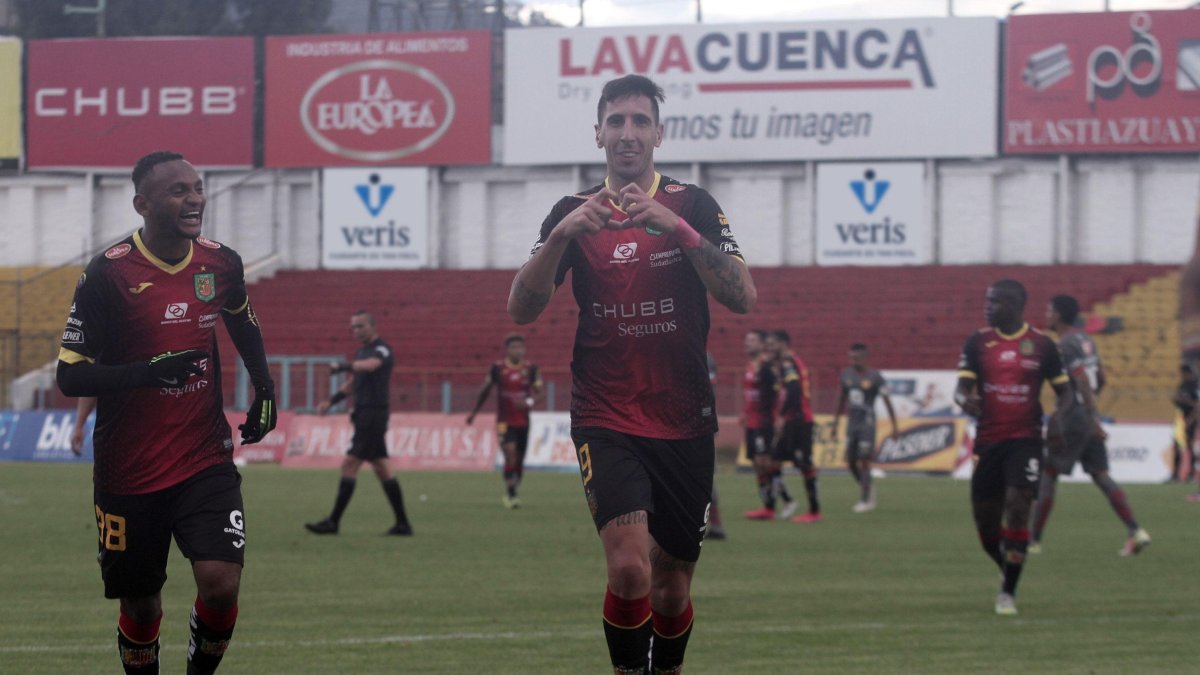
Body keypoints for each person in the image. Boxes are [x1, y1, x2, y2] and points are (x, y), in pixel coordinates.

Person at [506, 74, 756, 673]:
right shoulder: (572, 213)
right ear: (598, 133)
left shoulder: (693, 204)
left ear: (659, 134)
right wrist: (560, 238)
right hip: (606, 415)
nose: (627, 133)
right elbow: (520, 308)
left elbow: (743, 296)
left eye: (640, 121)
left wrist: (681, 231)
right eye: (615, 121)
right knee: (627, 566)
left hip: (684, 418)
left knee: (671, 587)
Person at [55, 150, 277, 675]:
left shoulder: (221, 262)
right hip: (128, 469)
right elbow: (70, 376)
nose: (194, 198)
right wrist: (147, 372)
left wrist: (264, 387)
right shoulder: (107, 275)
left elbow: (242, 319)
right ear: (142, 204)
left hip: (204, 456)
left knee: (221, 582)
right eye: (178, 190)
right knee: (141, 604)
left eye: (197, 187)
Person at [954, 279, 1071, 616]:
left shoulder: (1042, 345)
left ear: (1017, 305)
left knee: (1019, 505)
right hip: (989, 441)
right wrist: (965, 400)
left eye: (996, 302)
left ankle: (1008, 591)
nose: (988, 307)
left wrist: (1058, 420)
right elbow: (960, 389)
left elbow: (1065, 393)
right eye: (987, 301)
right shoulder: (978, 342)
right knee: (987, 526)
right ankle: (1008, 567)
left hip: (1026, 440)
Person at [1030, 295, 1151, 556]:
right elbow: (1101, 378)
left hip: (1072, 415)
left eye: (1049, 309)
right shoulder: (1087, 340)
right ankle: (1136, 530)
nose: (1046, 314)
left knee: (1048, 473)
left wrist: (1090, 414)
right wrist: (1093, 413)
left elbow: (1082, 380)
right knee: (1100, 474)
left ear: (1059, 315)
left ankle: (1033, 541)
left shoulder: (1065, 344)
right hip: (1086, 414)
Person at [305, 310, 412, 536]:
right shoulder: (362, 352)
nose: (356, 331)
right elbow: (354, 383)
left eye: (360, 326)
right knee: (382, 467)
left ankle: (333, 521)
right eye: (353, 327)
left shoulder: (381, 349)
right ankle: (403, 524)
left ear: (373, 326)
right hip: (366, 415)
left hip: (373, 415)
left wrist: (343, 366)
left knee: (350, 464)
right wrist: (331, 401)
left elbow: (372, 365)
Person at [466, 333, 543, 508]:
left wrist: (528, 402)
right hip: (504, 421)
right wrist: (474, 413)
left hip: (523, 421)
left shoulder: (531, 369)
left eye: (520, 347)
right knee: (510, 453)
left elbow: (541, 393)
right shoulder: (498, 368)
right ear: (507, 350)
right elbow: (485, 391)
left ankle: (514, 488)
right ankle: (511, 494)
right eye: (514, 347)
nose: (518, 351)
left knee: (520, 459)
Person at [832, 343, 898, 513]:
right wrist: (835, 423)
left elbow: (887, 402)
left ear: (865, 357)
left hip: (867, 424)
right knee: (851, 462)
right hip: (851, 424)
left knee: (864, 459)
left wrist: (894, 427)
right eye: (851, 357)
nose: (853, 360)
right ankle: (866, 487)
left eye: (856, 357)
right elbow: (841, 400)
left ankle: (866, 499)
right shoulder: (846, 375)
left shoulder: (876, 377)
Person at [767, 330, 822, 523]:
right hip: (793, 419)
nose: (770, 348)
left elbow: (794, 390)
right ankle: (779, 505)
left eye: (773, 344)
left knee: (804, 463)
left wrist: (783, 417)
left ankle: (814, 511)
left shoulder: (788, 363)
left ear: (783, 344)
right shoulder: (787, 363)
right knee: (774, 461)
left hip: (799, 420)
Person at [742, 329, 797, 521]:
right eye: (747, 340)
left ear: (762, 344)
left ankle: (784, 501)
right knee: (758, 464)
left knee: (766, 462)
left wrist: (777, 419)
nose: (747, 343)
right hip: (752, 420)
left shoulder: (767, 367)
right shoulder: (751, 365)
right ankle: (769, 505)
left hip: (764, 421)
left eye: (752, 340)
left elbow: (776, 394)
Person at [704, 351, 727, 540]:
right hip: (669, 423)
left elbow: (708, 391)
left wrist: (707, 420)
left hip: (696, 425)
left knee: (703, 475)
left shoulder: (704, 357)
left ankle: (716, 525)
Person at [1172, 364, 1197, 488]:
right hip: (1180, 419)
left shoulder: (1195, 386)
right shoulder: (1182, 385)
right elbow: (1177, 399)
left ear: (1188, 373)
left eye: (1183, 373)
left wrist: (1191, 419)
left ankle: (1192, 474)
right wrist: (1175, 400)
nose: (1181, 375)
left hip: (1190, 419)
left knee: (1190, 447)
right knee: (1177, 446)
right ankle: (1175, 475)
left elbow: (1197, 404)